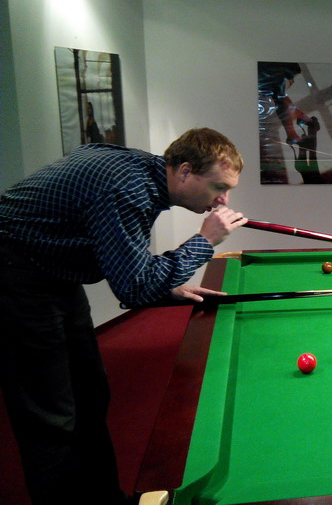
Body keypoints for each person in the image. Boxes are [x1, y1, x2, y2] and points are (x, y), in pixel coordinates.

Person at [0, 127, 247, 505]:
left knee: (90, 393)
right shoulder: (127, 188)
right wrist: (205, 241)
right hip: (14, 273)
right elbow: (133, 290)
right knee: (49, 415)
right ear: (185, 172)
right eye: (219, 187)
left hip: (53, 273)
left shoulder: (143, 176)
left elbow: (120, 256)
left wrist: (166, 287)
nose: (223, 200)